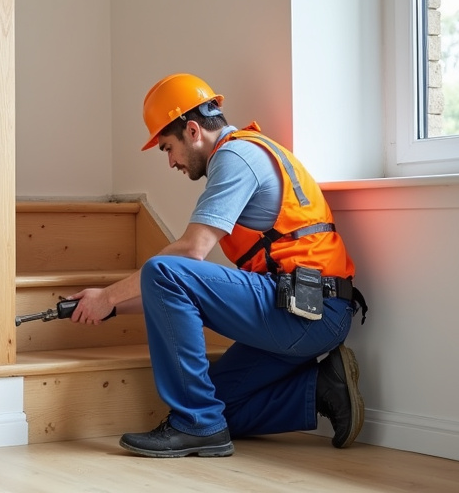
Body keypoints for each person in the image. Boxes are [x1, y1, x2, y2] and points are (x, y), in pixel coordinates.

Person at [68, 73, 368, 458]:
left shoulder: (236, 157)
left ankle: (194, 425)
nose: (171, 162)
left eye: (168, 148)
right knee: (219, 411)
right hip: (304, 311)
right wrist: (109, 306)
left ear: (193, 130)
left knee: (165, 269)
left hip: (309, 310)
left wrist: (109, 295)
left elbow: (189, 254)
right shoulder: (247, 152)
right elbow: (171, 293)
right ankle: (322, 389)